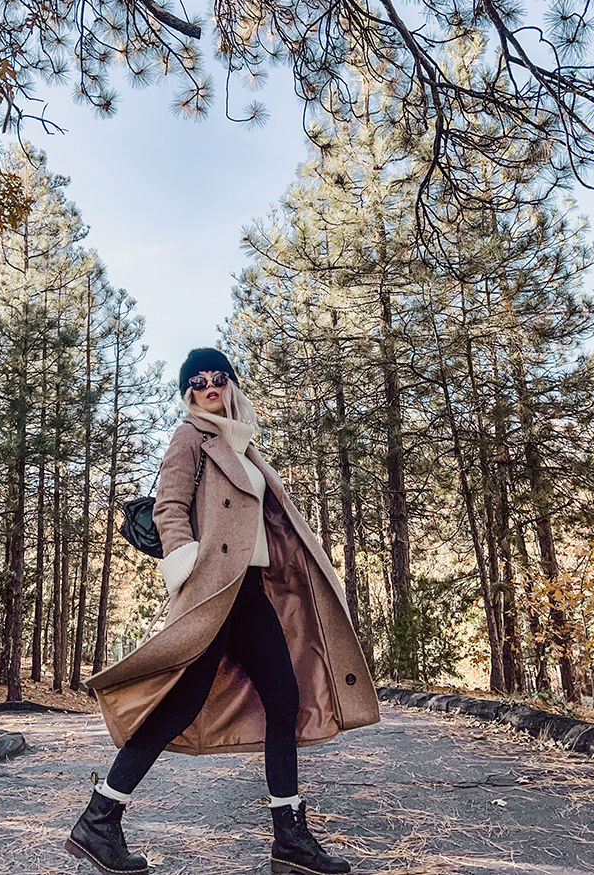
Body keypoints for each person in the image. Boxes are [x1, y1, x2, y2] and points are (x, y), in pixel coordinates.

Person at [67, 348, 380, 875]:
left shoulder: (245, 444)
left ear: (231, 384)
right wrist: (189, 563)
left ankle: (290, 838)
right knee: (179, 705)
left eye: (217, 378)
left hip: (250, 590)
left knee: (284, 699)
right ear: (188, 393)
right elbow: (168, 506)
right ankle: (99, 820)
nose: (208, 387)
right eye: (197, 382)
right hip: (215, 588)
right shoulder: (193, 436)